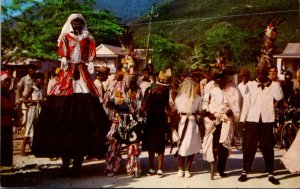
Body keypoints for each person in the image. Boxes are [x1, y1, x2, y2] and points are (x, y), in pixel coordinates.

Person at [32, 13, 110, 177]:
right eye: (74, 23)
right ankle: (65, 165)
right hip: (68, 74)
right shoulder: (65, 36)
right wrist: (64, 59)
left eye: (80, 23)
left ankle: (77, 166)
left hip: (82, 73)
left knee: (89, 102)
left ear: (83, 24)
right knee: (60, 108)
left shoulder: (88, 37)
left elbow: (91, 53)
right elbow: (63, 51)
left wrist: (87, 62)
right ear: (70, 24)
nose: (77, 25)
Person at [238, 67, 283, 185]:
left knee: (268, 146)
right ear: (256, 74)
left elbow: (279, 97)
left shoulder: (273, 85)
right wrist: (242, 119)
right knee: (248, 146)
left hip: (267, 120)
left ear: (267, 74)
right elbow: (246, 104)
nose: (261, 75)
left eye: (264, 73)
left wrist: (274, 83)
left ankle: (271, 173)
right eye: (259, 73)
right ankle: (245, 171)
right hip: (252, 119)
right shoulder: (251, 85)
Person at [202, 68, 242, 180]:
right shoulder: (211, 90)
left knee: (223, 146)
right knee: (213, 146)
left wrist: (227, 114)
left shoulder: (232, 90)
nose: (219, 80)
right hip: (213, 121)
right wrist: (209, 114)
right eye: (217, 78)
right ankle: (212, 168)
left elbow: (235, 106)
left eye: (222, 78)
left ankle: (221, 169)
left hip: (226, 122)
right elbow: (205, 105)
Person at [141, 68, 172, 177]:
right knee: (151, 145)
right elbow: (144, 107)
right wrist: (149, 95)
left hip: (161, 120)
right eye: (164, 86)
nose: (165, 88)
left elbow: (167, 105)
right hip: (151, 120)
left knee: (160, 145)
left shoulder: (166, 92)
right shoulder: (149, 90)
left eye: (166, 87)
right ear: (159, 84)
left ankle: (159, 168)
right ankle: (151, 167)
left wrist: (171, 113)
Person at [174, 77, 202, 178]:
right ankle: (184, 169)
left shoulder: (179, 97)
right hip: (190, 121)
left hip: (187, 122)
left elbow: (176, 111)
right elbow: (199, 111)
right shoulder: (197, 97)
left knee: (186, 145)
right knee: (186, 145)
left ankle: (182, 168)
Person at [20, 72, 45, 156]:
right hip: (32, 110)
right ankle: (22, 149)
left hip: (40, 110)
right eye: (40, 79)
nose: (42, 80)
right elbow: (24, 99)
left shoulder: (42, 89)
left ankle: (35, 148)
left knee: (37, 130)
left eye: (42, 79)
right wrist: (34, 101)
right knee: (29, 128)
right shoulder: (32, 88)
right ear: (36, 80)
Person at [1, 71, 15, 166]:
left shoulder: (9, 94)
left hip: (7, 123)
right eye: (5, 81)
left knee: (6, 144)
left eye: (9, 81)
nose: (8, 83)